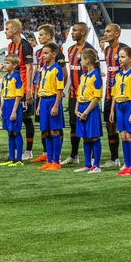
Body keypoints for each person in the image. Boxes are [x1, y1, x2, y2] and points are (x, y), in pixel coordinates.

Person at [31, 24, 67, 164]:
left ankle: (56, 158)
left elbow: (64, 74)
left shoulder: (58, 54)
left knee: (55, 129)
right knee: (45, 128)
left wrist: (58, 94)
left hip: (53, 97)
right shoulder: (41, 55)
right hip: (43, 96)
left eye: (41, 35)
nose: (39, 37)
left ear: (48, 36)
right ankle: (47, 155)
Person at [63, 22, 95, 166]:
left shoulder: (89, 49)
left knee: (88, 125)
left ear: (83, 32)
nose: (72, 33)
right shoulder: (70, 49)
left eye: (75, 30)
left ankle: (92, 158)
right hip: (73, 94)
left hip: (86, 96)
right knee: (73, 125)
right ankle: (74, 155)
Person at [110, 46, 131, 176]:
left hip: (129, 105)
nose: (120, 59)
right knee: (123, 136)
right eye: (119, 57)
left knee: (130, 136)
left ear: (130, 58)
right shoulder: (117, 75)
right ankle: (127, 165)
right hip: (119, 105)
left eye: (123, 57)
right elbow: (114, 94)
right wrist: (112, 110)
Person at [5, 19, 35, 159]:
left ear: (15, 30)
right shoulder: (10, 46)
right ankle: (15, 149)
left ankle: (28, 151)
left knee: (26, 118)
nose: (5, 31)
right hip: (13, 88)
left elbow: (29, 68)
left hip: (23, 87)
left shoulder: (25, 45)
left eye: (7, 29)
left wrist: (28, 89)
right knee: (15, 119)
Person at [100, 24, 128, 168]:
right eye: (105, 31)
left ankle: (129, 161)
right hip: (109, 93)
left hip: (123, 94)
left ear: (117, 34)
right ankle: (114, 158)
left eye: (108, 31)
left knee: (124, 127)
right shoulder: (106, 50)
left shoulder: (123, 50)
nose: (105, 33)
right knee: (110, 125)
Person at [74, 48, 104, 174]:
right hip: (81, 107)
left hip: (90, 109)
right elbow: (79, 94)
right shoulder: (84, 76)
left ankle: (96, 165)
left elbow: (97, 97)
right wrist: (76, 109)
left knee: (94, 137)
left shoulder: (96, 75)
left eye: (81, 59)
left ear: (87, 60)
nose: (80, 62)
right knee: (85, 137)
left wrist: (86, 111)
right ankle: (87, 163)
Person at [36, 43, 65, 171]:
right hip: (43, 101)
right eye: (43, 53)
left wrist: (56, 105)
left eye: (46, 53)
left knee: (54, 131)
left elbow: (59, 89)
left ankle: (56, 161)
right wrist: (38, 105)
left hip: (53, 100)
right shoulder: (44, 69)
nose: (43, 55)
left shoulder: (57, 69)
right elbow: (42, 88)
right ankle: (49, 160)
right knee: (46, 130)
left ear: (54, 54)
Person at [0, 54, 25, 167]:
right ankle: (11, 157)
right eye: (4, 62)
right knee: (9, 132)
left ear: (14, 65)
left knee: (16, 131)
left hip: (14, 105)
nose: (5, 65)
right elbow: (4, 94)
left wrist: (14, 111)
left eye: (7, 63)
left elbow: (18, 96)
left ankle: (19, 158)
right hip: (6, 104)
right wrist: (1, 108)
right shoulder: (5, 78)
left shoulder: (16, 77)